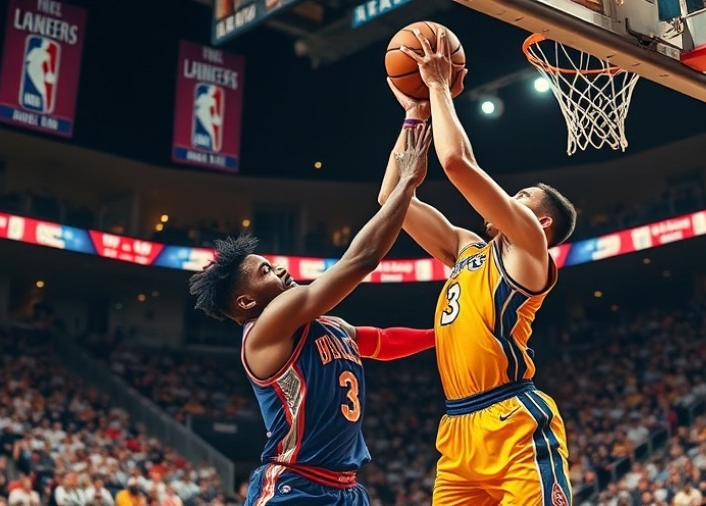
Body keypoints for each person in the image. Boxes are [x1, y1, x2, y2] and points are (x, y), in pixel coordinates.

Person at [188, 124, 436, 506]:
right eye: (265, 272)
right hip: (295, 486)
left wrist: (443, 334)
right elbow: (361, 260)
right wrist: (406, 184)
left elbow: (383, 343)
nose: (280, 270)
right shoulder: (266, 327)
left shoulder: (330, 326)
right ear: (245, 302)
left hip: (347, 488)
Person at [380, 28, 578, 505]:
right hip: (456, 427)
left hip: (513, 420)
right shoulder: (468, 249)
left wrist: (438, 88)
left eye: (523, 196)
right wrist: (413, 116)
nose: (511, 198)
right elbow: (393, 200)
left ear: (542, 220)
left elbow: (456, 161)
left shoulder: (530, 248)